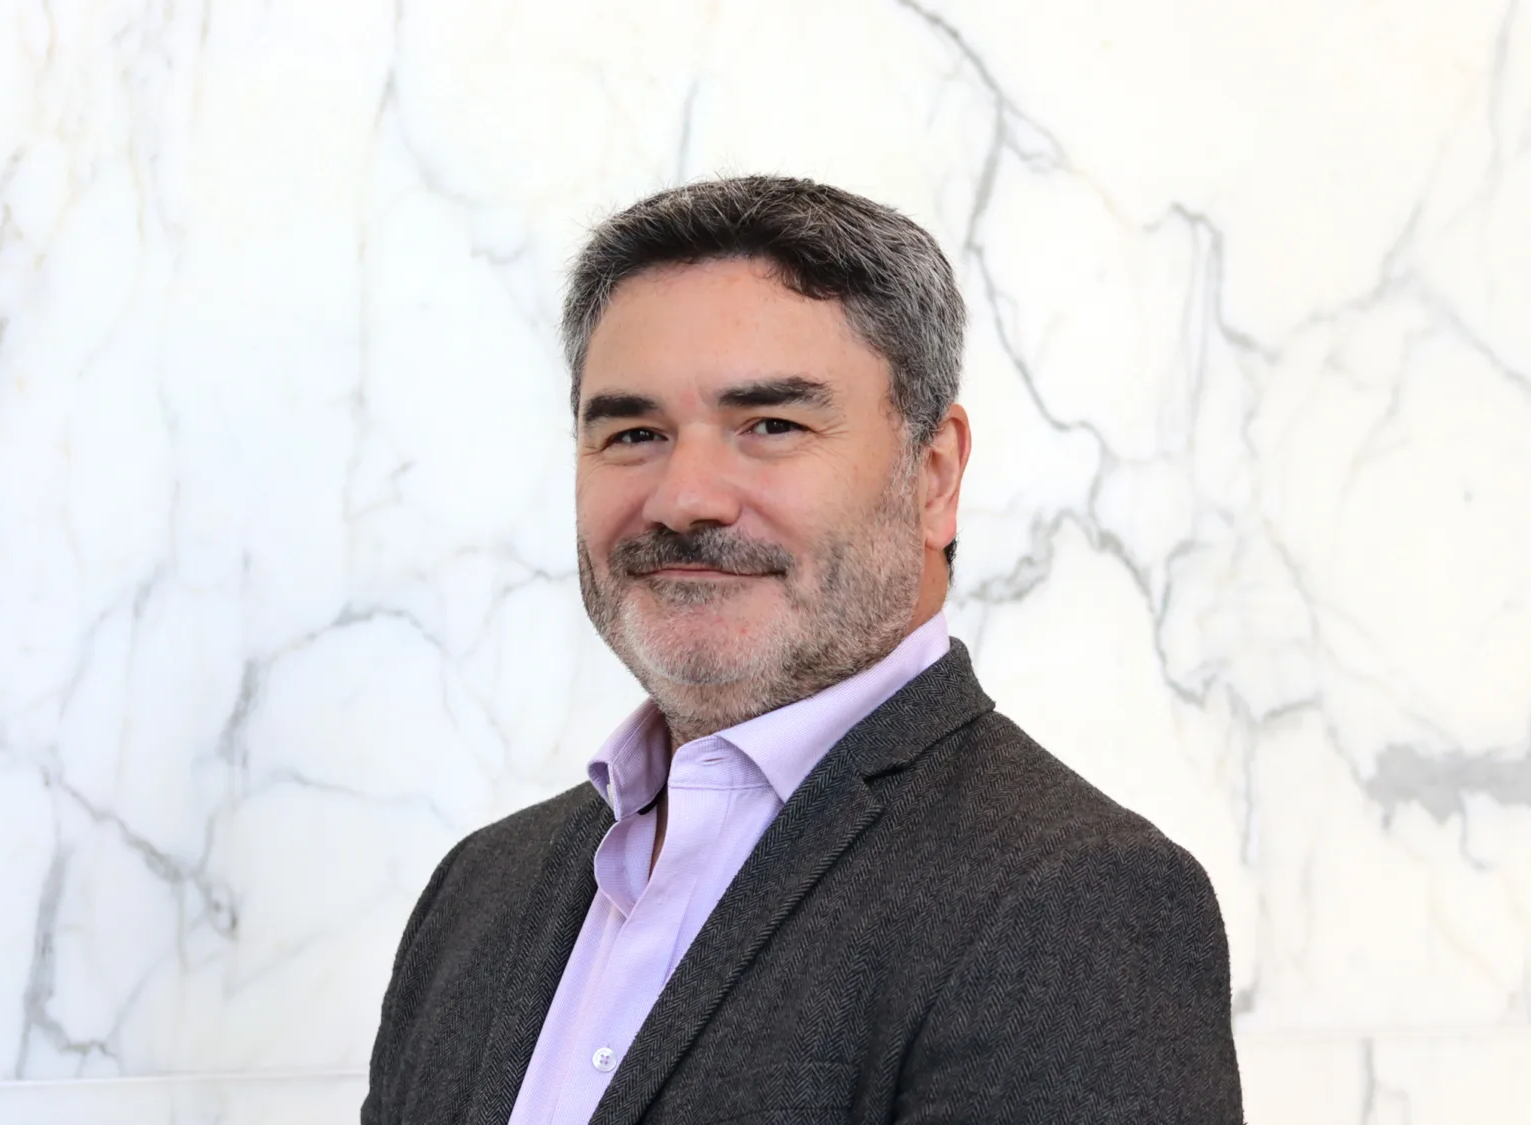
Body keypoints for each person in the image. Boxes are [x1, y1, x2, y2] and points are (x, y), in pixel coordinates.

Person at [361, 175, 1243, 1124]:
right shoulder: (479, 893)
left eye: (771, 426)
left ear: (934, 476)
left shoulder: (1075, 905)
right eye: (633, 432)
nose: (683, 496)